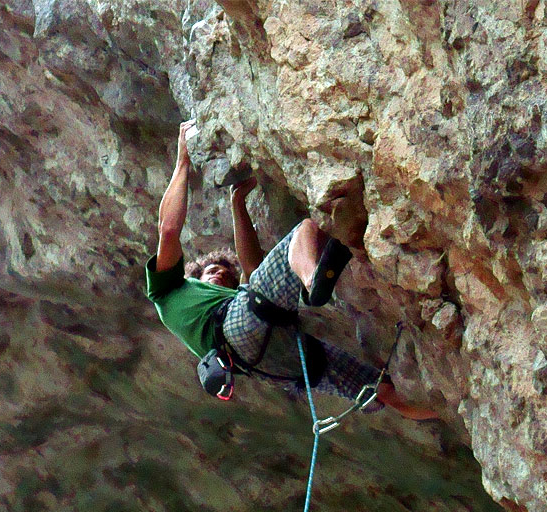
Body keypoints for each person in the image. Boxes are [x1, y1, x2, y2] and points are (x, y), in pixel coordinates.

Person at [144, 120, 437, 420]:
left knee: (380, 389)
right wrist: (182, 162)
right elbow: (168, 230)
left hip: (272, 360)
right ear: (195, 279)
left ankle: (444, 415)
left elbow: (252, 270)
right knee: (305, 230)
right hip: (241, 334)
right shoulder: (169, 292)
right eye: (211, 272)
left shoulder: (232, 297)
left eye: (224, 273)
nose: (219, 273)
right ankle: (312, 279)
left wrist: (238, 203)